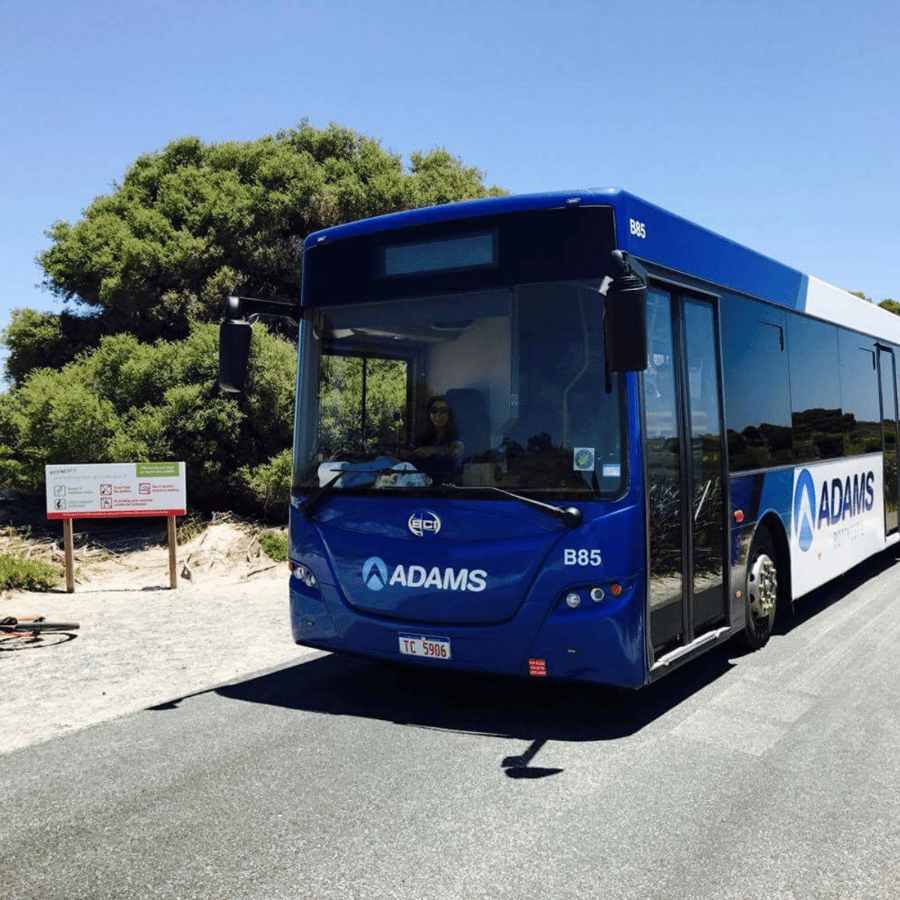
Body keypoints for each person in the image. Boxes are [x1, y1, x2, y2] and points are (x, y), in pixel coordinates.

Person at [412, 396, 464, 481]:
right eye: (434, 411)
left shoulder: (455, 436)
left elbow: (457, 451)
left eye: (443, 411)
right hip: (422, 487)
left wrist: (433, 450)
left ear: (450, 414)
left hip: (448, 487)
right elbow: (411, 451)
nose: (438, 415)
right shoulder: (423, 438)